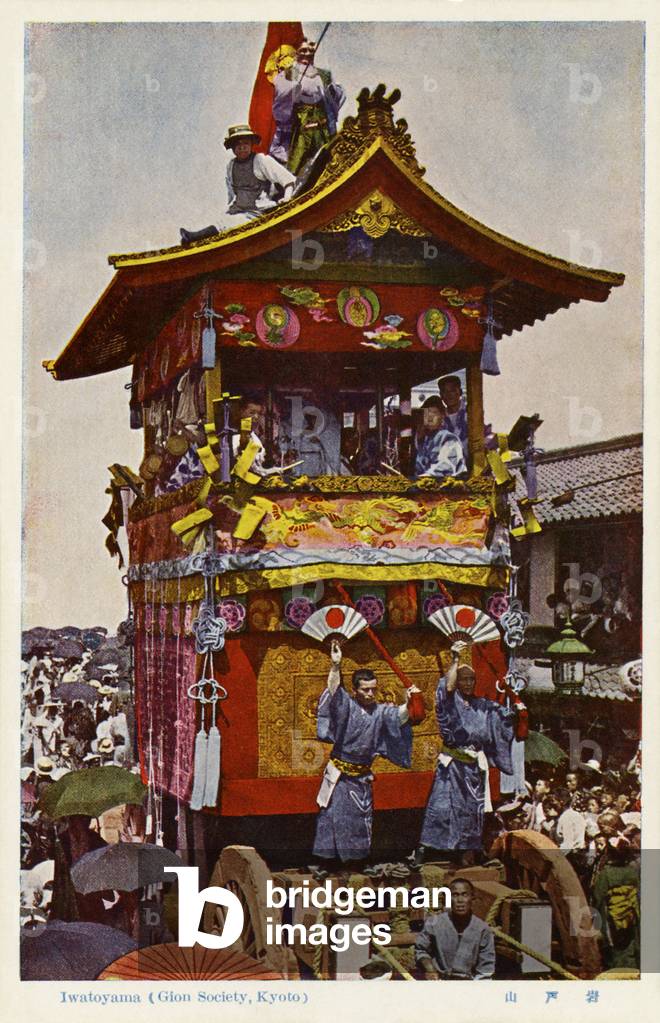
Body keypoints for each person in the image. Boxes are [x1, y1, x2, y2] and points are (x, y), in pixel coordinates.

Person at [313, 638, 419, 867]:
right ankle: (326, 864)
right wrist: (335, 666)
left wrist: (411, 701)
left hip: (361, 776)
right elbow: (333, 693)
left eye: (374, 689)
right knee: (333, 817)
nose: (371, 694)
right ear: (355, 690)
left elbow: (399, 716)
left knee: (361, 818)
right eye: (365, 690)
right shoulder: (347, 706)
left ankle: (357, 862)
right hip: (340, 774)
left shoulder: (381, 711)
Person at [415, 641, 517, 862]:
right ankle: (428, 849)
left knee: (472, 810)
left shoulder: (480, 705)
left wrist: (516, 712)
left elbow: (501, 716)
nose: (469, 683)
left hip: (473, 767)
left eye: (472, 679)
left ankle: (468, 851)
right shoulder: (449, 703)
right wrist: (454, 659)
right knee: (443, 809)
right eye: (464, 679)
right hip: (453, 765)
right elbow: (446, 688)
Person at [180, 124, 296, 244]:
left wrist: (287, 198)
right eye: (238, 145)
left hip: (258, 211)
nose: (242, 148)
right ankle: (193, 239)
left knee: (229, 223)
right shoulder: (231, 166)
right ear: (233, 148)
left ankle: (193, 237)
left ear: (251, 144)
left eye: (245, 143)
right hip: (238, 211)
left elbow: (287, 179)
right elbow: (232, 195)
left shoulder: (260, 160)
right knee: (222, 221)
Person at [270, 38, 345, 173]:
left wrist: (333, 91)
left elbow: (337, 96)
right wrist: (292, 90)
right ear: (296, 53)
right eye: (303, 50)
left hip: (323, 126)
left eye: (311, 50)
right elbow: (280, 99)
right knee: (298, 165)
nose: (307, 53)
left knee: (328, 160)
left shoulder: (324, 74)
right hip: (300, 125)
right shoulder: (288, 73)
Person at [415, 878, 495, 980]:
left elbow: (485, 970)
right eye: (455, 895)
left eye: (465, 895)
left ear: (472, 898)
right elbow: (421, 949)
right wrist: (430, 968)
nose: (460, 901)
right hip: (440, 982)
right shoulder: (434, 923)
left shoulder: (482, 929)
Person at [414, 396, 467, 480]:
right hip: (428, 488)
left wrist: (419, 479)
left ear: (442, 417)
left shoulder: (449, 439)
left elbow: (444, 469)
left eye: (434, 413)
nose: (430, 417)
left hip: (451, 489)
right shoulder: (425, 441)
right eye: (427, 413)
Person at [438, 375, 469, 462]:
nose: (449, 395)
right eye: (445, 391)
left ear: (460, 392)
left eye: (452, 390)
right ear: (441, 395)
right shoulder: (438, 418)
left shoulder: (471, 413)